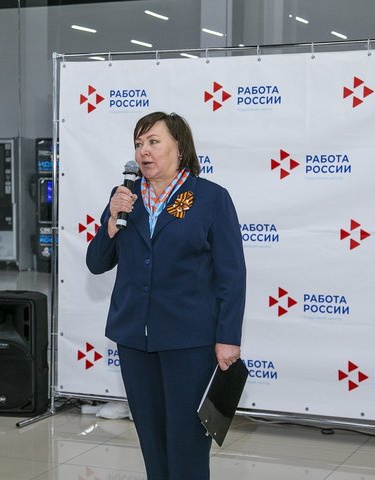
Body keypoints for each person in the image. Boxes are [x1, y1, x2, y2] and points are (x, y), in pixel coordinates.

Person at [86, 111, 246, 479]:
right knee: (151, 440)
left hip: (189, 340)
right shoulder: (124, 197)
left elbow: (232, 275)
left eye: (153, 142)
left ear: (180, 147)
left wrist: (228, 338)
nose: (144, 151)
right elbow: (97, 262)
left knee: (187, 443)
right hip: (134, 338)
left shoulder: (210, 198)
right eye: (138, 143)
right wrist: (111, 222)